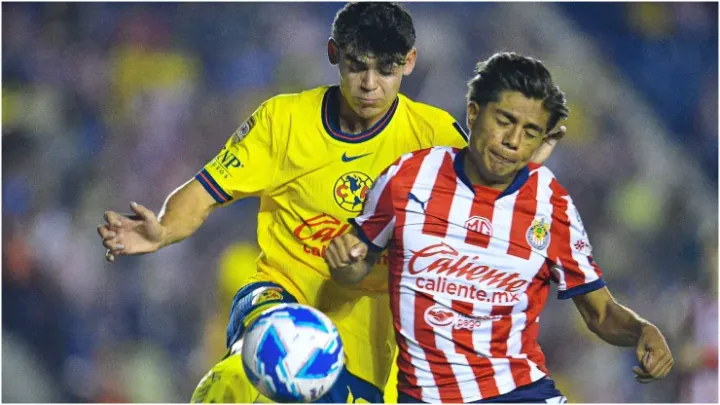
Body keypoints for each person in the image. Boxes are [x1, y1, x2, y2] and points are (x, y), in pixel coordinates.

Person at [97, 3, 563, 403]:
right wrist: (162, 229)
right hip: (281, 294)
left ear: (410, 63)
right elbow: (204, 192)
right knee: (241, 378)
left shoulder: (435, 136)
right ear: (333, 54)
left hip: (373, 329)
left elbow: (490, 204)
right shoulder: (284, 121)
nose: (369, 84)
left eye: (386, 69)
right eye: (357, 65)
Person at [324, 52, 674, 403]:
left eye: (530, 132)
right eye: (505, 121)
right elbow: (357, 262)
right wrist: (344, 263)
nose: (513, 141)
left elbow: (599, 311)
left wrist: (641, 329)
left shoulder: (550, 202)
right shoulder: (408, 177)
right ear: (474, 113)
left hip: (520, 393)